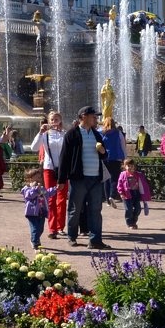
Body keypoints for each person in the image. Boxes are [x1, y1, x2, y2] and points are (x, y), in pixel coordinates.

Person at [57, 105, 109, 249]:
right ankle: (72, 237)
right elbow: (64, 158)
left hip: (96, 179)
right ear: (84, 116)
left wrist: (103, 152)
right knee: (75, 208)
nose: (96, 119)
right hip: (78, 178)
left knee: (95, 210)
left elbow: (105, 155)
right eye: (94, 116)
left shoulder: (97, 134)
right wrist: (61, 180)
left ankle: (95, 240)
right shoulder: (71, 134)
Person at [116, 158, 150, 230]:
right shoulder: (123, 174)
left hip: (135, 193)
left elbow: (143, 184)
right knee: (129, 209)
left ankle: (134, 221)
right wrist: (121, 193)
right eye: (128, 166)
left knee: (138, 209)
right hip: (126, 194)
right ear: (125, 167)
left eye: (132, 166)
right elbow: (120, 184)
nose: (131, 168)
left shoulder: (138, 174)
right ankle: (129, 223)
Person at [21, 166, 50, 250]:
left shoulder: (41, 187)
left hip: (41, 211)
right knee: (35, 228)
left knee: (40, 229)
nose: (38, 179)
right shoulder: (27, 188)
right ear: (30, 179)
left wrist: (54, 189)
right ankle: (35, 242)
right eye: (36, 177)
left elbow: (46, 193)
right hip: (31, 213)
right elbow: (29, 195)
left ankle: (35, 239)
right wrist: (35, 188)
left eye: (39, 177)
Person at [100, 117, 126, 207]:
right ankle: (112, 195)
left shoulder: (102, 133)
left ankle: (107, 200)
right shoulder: (118, 133)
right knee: (114, 178)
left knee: (106, 179)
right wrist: (124, 158)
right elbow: (123, 145)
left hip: (105, 158)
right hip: (116, 158)